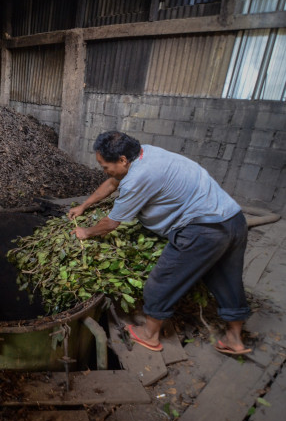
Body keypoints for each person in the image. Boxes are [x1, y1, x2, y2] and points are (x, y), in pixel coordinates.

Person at [68, 131, 251, 355]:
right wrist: (84, 205)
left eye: (104, 166)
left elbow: (111, 223)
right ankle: (234, 338)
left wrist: (86, 232)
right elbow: (113, 182)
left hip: (202, 230)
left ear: (123, 160)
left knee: (161, 280)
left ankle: (149, 335)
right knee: (226, 278)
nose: (103, 170)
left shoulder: (137, 178)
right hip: (233, 219)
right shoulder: (145, 153)